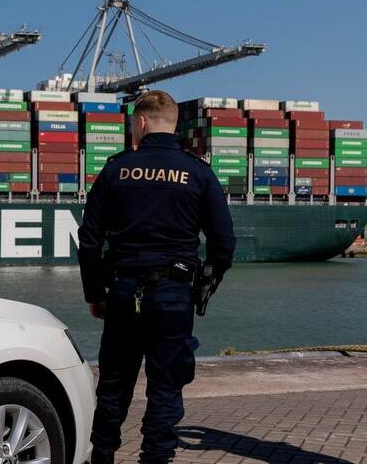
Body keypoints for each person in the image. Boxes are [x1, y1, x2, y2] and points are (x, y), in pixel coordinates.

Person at [78, 90, 236, 464]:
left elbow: (88, 242)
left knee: (114, 387)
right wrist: (203, 286)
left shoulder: (115, 170)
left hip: (121, 292)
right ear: (174, 124)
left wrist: (95, 294)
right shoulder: (198, 172)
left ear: (142, 122)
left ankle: (102, 457)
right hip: (174, 295)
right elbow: (224, 244)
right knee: (165, 390)